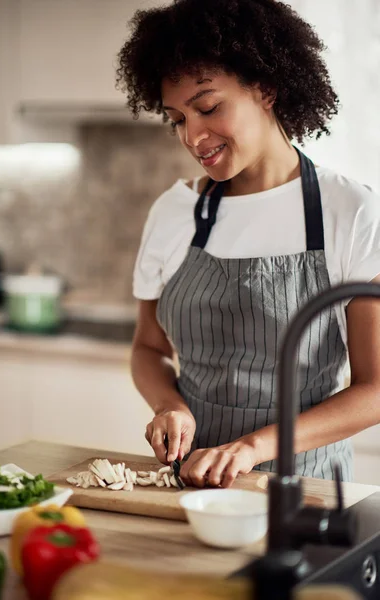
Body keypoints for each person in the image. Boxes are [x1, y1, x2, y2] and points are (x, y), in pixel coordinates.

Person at [116, 0, 380, 487]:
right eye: (176, 119)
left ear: (266, 87)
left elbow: (376, 389)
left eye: (208, 107)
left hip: (305, 490)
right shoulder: (174, 214)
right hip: (191, 484)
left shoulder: (352, 212)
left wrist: (254, 446)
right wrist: (169, 406)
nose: (193, 137)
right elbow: (147, 348)